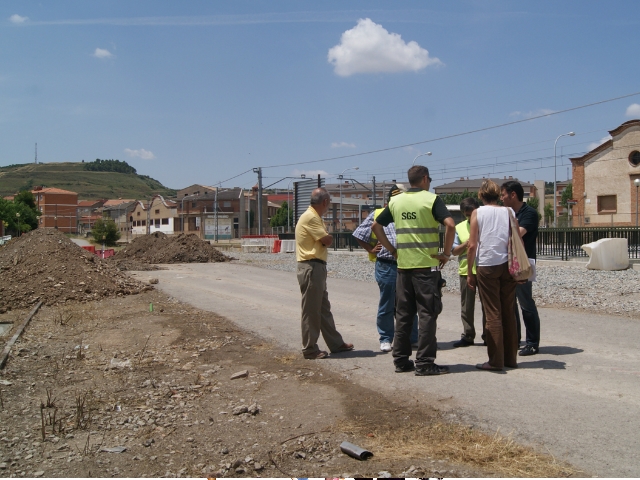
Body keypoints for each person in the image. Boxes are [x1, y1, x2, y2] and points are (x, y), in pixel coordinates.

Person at [371, 166, 455, 376]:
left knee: (404, 314)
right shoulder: (431, 200)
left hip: (403, 267)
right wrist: (446, 253)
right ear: (425, 179)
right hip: (426, 267)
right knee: (427, 314)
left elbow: (375, 226)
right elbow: (451, 225)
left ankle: (400, 360)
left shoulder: (396, 201)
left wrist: (391, 250)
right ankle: (425, 363)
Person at [352, 184, 419, 353]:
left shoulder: (408, 214)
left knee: (408, 303)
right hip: (387, 265)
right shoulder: (379, 214)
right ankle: (385, 338)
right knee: (387, 303)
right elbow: (359, 233)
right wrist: (370, 249)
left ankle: (412, 338)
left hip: (407, 264)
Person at [295, 187, 354, 359]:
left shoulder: (313, 215)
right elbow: (327, 240)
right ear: (325, 202)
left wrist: (325, 238)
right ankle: (309, 348)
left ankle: (336, 343)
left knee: (323, 308)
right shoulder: (312, 217)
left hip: (315, 267)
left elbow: (324, 240)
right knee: (311, 310)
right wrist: (327, 237)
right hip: (311, 266)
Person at [467, 179, 519, 371]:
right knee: (508, 312)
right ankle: (510, 358)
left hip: (487, 265)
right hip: (508, 265)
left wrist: (470, 272)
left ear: (481, 195)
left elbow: (472, 245)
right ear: (498, 195)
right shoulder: (509, 212)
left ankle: (495, 360)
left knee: (492, 314)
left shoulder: (477, 213)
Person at [500, 180, 541, 356]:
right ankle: (514, 339)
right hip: (508, 263)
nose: (501, 198)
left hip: (523, 264)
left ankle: (532, 342)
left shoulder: (529, 213)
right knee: (510, 304)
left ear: (513, 195)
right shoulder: (507, 213)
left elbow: (517, 234)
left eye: (503, 195)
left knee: (525, 303)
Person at [451, 197, 485, 347]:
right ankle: (468, 335)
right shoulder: (459, 228)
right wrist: (468, 242)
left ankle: (489, 335)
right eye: (467, 215)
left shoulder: (486, 225)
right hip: (466, 270)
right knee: (467, 305)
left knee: (488, 305)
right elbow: (455, 251)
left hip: (485, 269)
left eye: (472, 213)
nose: (470, 217)